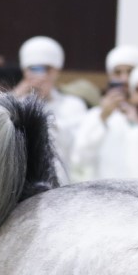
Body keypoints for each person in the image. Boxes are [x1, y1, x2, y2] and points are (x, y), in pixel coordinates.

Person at [70, 44, 138, 181]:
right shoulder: (94, 116)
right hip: (106, 196)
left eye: (130, 72)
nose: (124, 79)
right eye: (118, 73)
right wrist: (103, 118)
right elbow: (79, 160)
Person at [14, 36, 86, 173]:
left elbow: (78, 148)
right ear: (24, 71)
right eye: (34, 69)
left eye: (47, 69)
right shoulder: (16, 102)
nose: (41, 75)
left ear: (56, 71)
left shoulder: (73, 105)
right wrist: (18, 94)